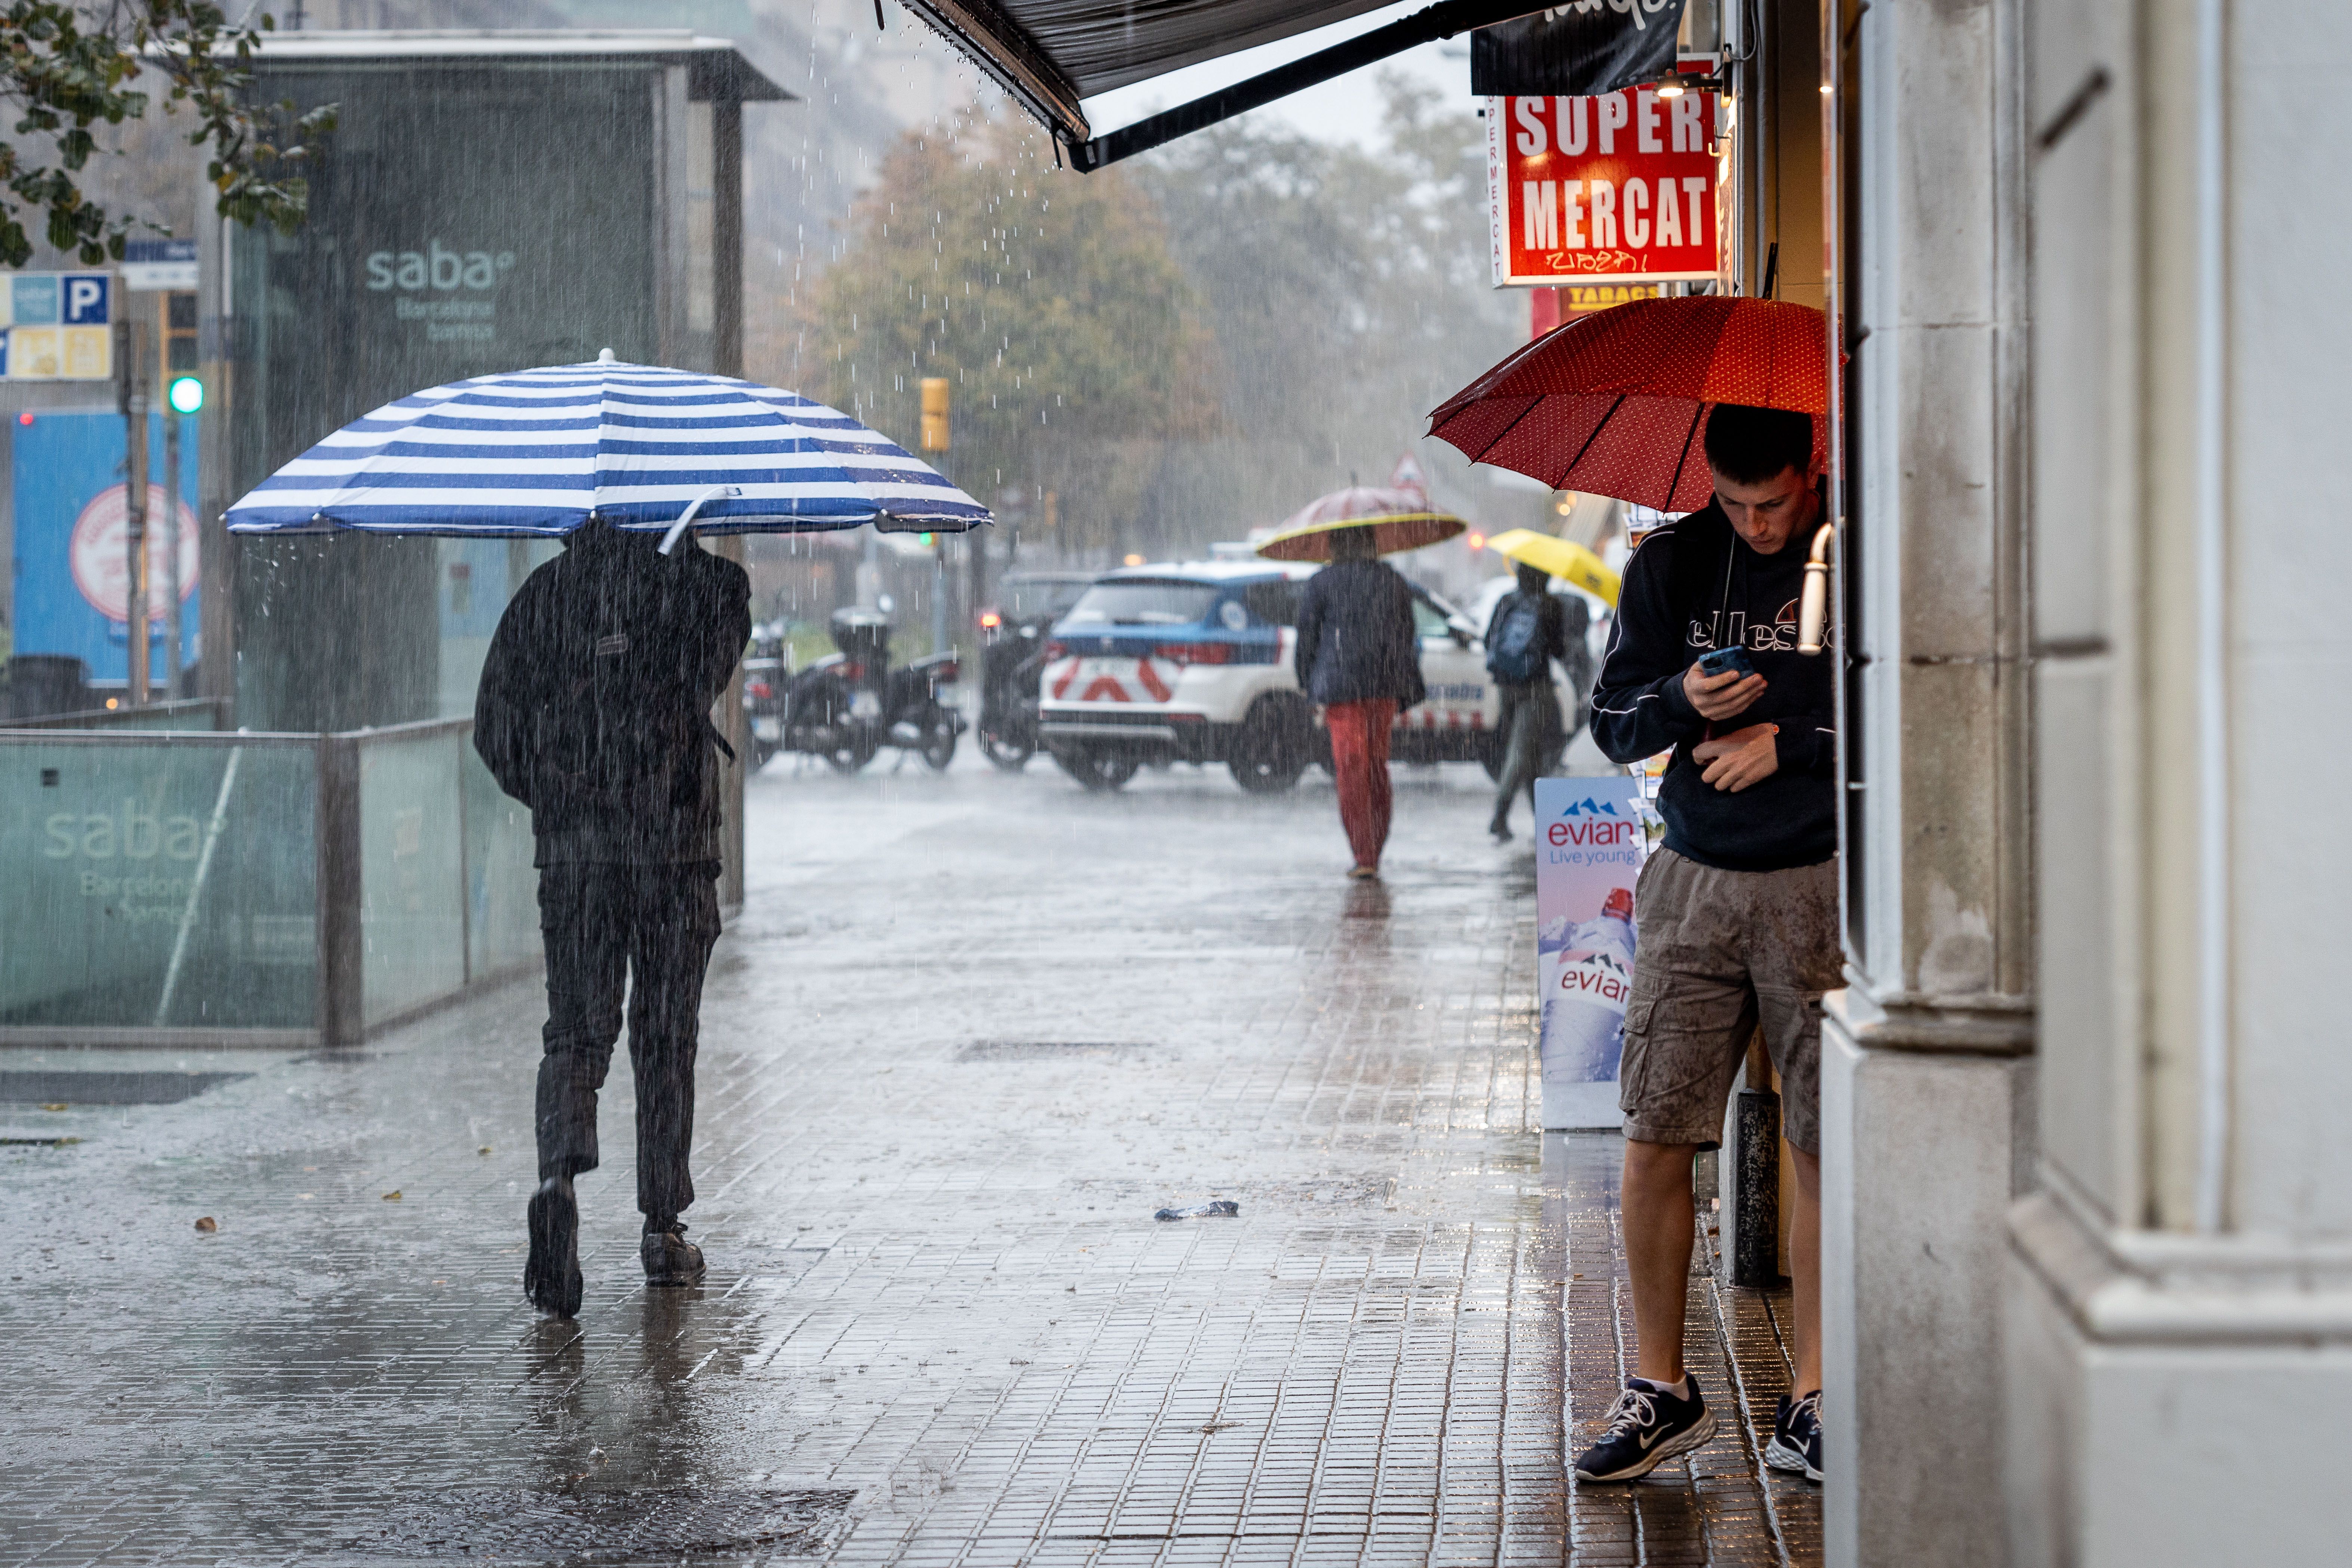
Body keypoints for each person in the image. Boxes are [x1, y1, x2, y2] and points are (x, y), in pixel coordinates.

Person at [1575, 402, 1838, 1485]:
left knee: (1825, 1140)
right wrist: (1679, 698)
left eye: (1769, 501)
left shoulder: (1852, 556)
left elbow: (1918, 699)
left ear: (1806, 471)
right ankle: (1659, 1388)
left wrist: (1792, 734)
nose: (1755, 523)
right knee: (1655, 1128)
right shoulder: (1672, 561)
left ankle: (1815, 1397)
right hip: (1691, 879)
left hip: (1818, 876)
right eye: (1733, 502)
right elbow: (1611, 719)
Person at [473, 519, 751, 1318]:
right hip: (674, 854)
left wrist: (562, 800)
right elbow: (708, 655)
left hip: (576, 862)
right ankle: (663, 1229)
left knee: (576, 1033)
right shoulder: (706, 591)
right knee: (665, 1036)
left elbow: (494, 730)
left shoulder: (544, 599)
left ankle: (559, 1178)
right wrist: (675, 563)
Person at [1293, 525, 1425, 878]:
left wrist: (1307, 684)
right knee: (1375, 768)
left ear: (1334, 545)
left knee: (1352, 770)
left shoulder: (1321, 583)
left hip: (1341, 688)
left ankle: (1364, 854)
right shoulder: (1392, 580)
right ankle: (1373, 850)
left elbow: (1307, 636)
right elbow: (1406, 632)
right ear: (1372, 544)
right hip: (1383, 685)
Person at [1481, 560, 1590, 841]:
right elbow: (1558, 649)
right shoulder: (1550, 604)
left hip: (1506, 686)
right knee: (1521, 752)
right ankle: (1500, 814)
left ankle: (1541, 820)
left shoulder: (1507, 600)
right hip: (1535, 687)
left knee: (1527, 754)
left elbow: (1487, 641)